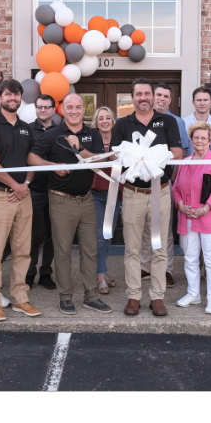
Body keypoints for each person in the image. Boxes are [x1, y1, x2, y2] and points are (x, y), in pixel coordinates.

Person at [28, 94, 113, 315]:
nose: (74, 111)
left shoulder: (93, 133)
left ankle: (91, 297)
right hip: (61, 200)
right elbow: (32, 158)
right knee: (63, 251)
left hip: (87, 199)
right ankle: (65, 297)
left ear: (83, 109)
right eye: (69, 107)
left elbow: (101, 160)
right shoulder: (52, 134)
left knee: (90, 250)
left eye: (78, 107)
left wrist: (80, 148)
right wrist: (52, 166)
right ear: (62, 110)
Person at [113, 77, 182, 317]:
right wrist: (134, 159)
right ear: (132, 97)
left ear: (153, 96)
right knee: (132, 248)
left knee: (159, 246)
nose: (143, 98)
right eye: (138, 94)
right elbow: (114, 156)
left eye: (147, 93)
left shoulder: (168, 122)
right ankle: (133, 295)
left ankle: (157, 296)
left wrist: (151, 158)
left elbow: (177, 153)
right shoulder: (122, 124)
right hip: (133, 193)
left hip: (160, 192)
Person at [0, 78, 42, 321]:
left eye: (16, 94)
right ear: (0, 97)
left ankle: (20, 298)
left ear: (20, 97)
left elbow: (31, 160)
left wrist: (25, 185)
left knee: (23, 251)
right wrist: (16, 186)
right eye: (8, 94)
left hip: (23, 196)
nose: (12, 98)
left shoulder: (26, 128)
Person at [173, 122, 211, 314]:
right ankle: (193, 293)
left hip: (209, 216)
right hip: (187, 216)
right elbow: (175, 188)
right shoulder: (185, 161)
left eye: (203, 138)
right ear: (191, 139)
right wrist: (180, 204)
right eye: (195, 137)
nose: (199, 141)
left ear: (210, 140)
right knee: (190, 258)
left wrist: (205, 208)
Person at [138, 82, 188, 288]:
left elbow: (181, 153)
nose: (161, 99)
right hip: (141, 182)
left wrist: (172, 181)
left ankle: (166, 270)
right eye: (158, 95)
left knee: (164, 228)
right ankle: (145, 266)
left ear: (170, 100)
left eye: (166, 96)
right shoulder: (142, 118)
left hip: (164, 182)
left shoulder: (176, 122)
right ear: (152, 97)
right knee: (144, 227)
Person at [27, 94, 59, 289]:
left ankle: (46, 272)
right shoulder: (27, 130)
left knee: (53, 235)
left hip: (57, 190)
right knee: (35, 235)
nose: (43, 110)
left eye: (47, 107)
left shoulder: (61, 131)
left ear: (54, 109)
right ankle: (29, 272)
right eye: (40, 107)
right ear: (36, 109)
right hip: (35, 190)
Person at [91, 106, 122, 294]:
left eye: (108, 118)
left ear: (113, 121)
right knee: (100, 236)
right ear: (96, 122)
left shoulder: (120, 141)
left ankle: (102, 271)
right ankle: (101, 277)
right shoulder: (91, 140)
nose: (104, 121)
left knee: (108, 235)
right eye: (101, 118)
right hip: (96, 193)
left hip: (115, 193)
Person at [183, 86, 211, 157]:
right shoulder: (183, 124)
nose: (202, 103)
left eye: (205, 100)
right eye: (199, 100)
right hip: (189, 163)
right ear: (193, 102)